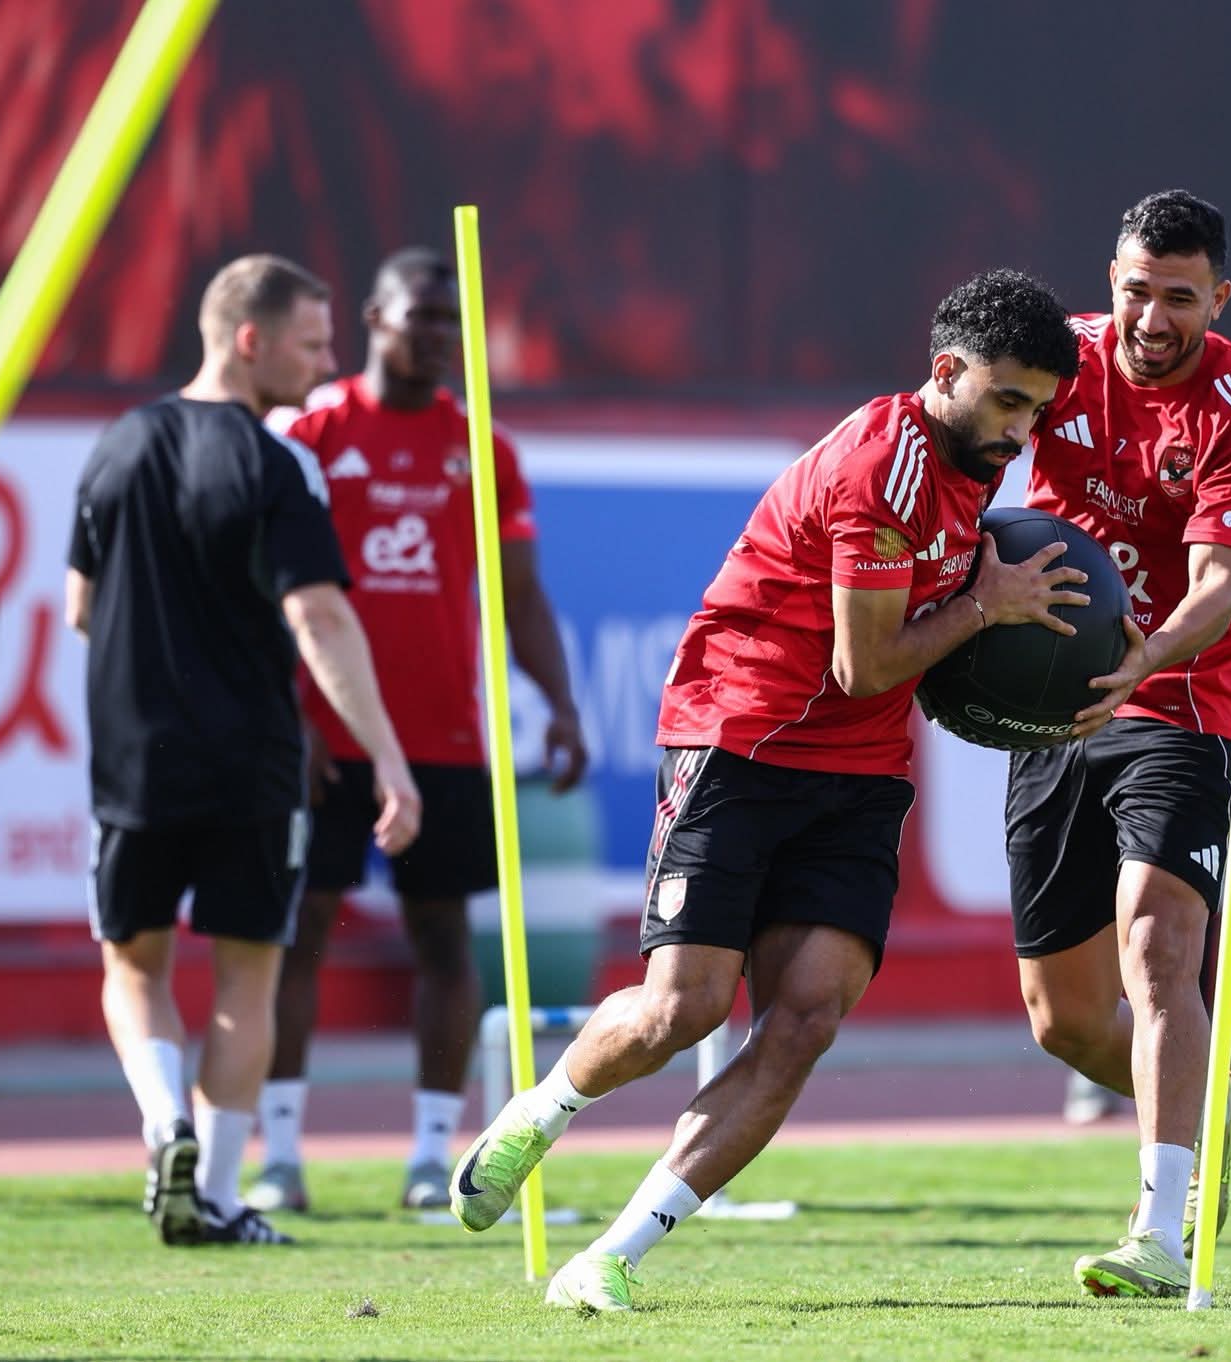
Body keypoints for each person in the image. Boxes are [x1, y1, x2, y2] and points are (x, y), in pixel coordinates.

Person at [449, 268, 1120, 1312]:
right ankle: (542, 1108)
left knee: (804, 1021)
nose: (1019, 431)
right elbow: (866, 664)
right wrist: (985, 608)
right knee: (684, 1008)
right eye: (1005, 401)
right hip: (741, 738)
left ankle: (611, 1257)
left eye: (1035, 409)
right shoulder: (884, 465)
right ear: (945, 370)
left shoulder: (972, 457)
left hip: (860, 773)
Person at [64, 254, 421, 1248]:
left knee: (134, 966)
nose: (326, 364)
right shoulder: (280, 462)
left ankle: (163, 1124)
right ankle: (218, 1197)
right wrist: (387, 758)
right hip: (254, 763)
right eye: (311, 344)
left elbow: (80, 607)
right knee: (246, 978)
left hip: (134, 763)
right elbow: (320, 615)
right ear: (250, 340)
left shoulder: (114, 446)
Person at [244, 248, 587, 1215]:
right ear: (373, 320)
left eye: (451, 320)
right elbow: (259, 591)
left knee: (444, 943)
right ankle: (279, 1159)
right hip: (325, 738)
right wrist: (289, 715)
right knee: (297, 935)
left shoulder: (483, 447)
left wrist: (561, 704)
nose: (438, 335)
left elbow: (519, 594)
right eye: (419, 317)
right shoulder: (308, 432)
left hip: (442, 739)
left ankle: (433, 1159)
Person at [1007, 190, 1231, 1297]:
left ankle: (1160, 1232)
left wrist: (1145, 658)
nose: (1152, 319)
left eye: (1179, 299)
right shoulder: (1055, 358)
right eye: (1135, 292)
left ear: (1220, 298)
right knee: (1063, 1022)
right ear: (1108, 281)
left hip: (1179, 703)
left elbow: (1221, 584)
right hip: (1052, 705)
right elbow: (959, 435)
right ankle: (1217, 1096)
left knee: (1158, 950)